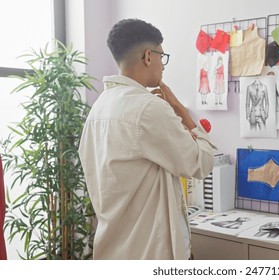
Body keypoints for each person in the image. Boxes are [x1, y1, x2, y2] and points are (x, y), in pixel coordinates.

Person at [78, 18, 216, 260]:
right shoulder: (149, 108)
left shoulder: (98, 108)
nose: (163, 65)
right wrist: (178, 108)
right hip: (151, 251)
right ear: (148, 56)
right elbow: (201, 163)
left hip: (113, 250)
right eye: (162, 56)